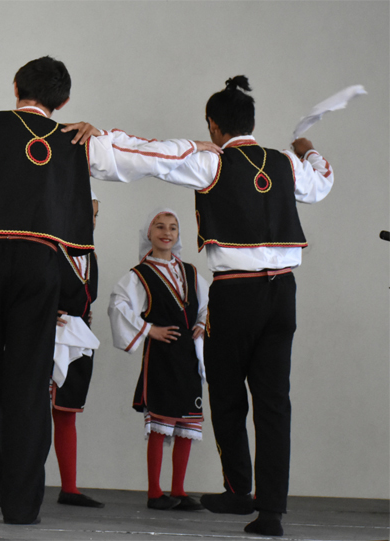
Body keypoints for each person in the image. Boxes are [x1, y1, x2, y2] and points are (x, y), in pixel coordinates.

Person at [0, 56, 222, 524]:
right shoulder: (78, 139)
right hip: (40, 264)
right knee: (31, 381)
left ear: (16, 87)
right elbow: (144, 156)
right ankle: (23, 503)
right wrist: (197, 149)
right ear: (64, 100)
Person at [117, 76, 335, 537]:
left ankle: (238, 488)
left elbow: (152, 159)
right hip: (283, 293)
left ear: (213, 126)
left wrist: (104, 140)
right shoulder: (285, 163)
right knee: (274, 402)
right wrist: (309, 150)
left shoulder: (212, 161)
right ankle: (270, 511)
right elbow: (321, 185)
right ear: (251, 123)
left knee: (227, 391)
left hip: (235, 293)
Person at [108, 208, 208, 511]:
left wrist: (203, 323)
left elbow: (208, 304)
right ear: (148, 233)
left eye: (173, 227)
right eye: (160, 227)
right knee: (160, 421)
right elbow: (119, 305)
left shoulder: (190, 272)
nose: (167, 233)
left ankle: (178, 490)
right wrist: (148, 329)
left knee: (187, 421)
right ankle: (154, 492)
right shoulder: (140, 274)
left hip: (188, 356)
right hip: (161, 358)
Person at [48, 191, 103, 508]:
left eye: (94, 215)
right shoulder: (49, 248)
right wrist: (45, 311)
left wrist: (83, 315)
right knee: (34, 413)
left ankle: (69, 488)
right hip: (47, 339)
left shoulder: (90, 254)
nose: (90, 220)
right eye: (85, 212)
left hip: (78, 339)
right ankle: (21, 481)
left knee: (67, 413)